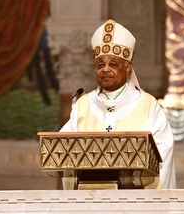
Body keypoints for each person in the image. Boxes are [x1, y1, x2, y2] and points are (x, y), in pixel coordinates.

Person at [60, 19, 176, 189]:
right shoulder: (82, 105)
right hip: (87, 202)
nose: (105, 69)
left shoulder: (147, 106)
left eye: (113, 64)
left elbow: (162, 155)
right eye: (100, 65)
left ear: (128, 67)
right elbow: (63, 151)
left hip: (134, 202)